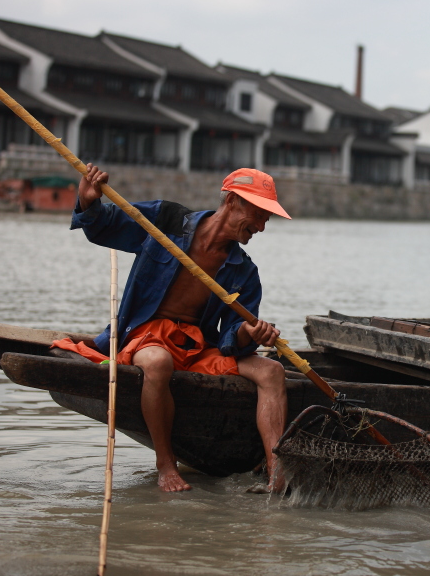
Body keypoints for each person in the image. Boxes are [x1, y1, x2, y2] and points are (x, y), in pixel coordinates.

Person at [53, 164, 290, 493]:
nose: (262, 227)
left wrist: (249, 334)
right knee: (158, 363)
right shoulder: (166, 220)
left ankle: (277, 475)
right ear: (234, 201)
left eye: (268, 219)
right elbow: (102, 226)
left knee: (273, 370)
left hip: (196, 348)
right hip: (146, 337)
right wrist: (87, 198)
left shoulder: (245, 272)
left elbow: (230, 338)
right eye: (260, 214)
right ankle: (166, 465)